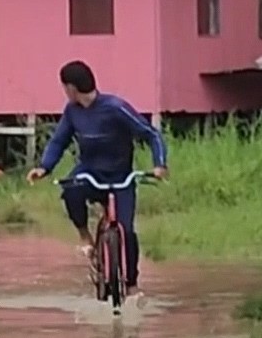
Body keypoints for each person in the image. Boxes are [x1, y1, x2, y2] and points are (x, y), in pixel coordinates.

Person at [25, 61, 168, 295]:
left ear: (71, 88)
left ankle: (132, 284)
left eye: (64, 87)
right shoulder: (72, 112)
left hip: (121, 177)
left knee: (127, 232)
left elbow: (151, 134)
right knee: (71, 189)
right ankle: (86, 237)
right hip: (90, 172)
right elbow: (59, 140)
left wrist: (159, 164)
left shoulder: (115, 108)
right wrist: (44, 167)